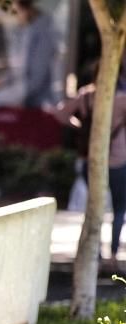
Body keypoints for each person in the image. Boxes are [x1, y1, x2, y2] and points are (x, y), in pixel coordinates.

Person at [51, 84, 126, 270]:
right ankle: (114, 255)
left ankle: (96, 254)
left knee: (94, 208)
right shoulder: (123, 99)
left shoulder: (86, 95)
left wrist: (81, 126)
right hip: (118, 159)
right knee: (118, 209)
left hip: (90, 156)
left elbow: (60, 114)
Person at [0, 0, 57, 109]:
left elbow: (35, 82)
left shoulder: (44, 32)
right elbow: (19, 69)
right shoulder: (24, 30)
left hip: (38, 107)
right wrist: (0, 81)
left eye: (14, 11)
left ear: (25, 9)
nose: (12, 17)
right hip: (22, 103)